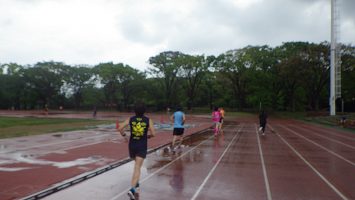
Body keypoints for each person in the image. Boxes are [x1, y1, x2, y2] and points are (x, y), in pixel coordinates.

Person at [118, 102, 156, 200]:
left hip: (132, 145)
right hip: (142, 145)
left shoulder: (131, 119)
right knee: (137, 168)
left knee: (136, 166)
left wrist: (125, 136)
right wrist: (149, 136)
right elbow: (154, 134)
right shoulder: (148, 120)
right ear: (145, 111)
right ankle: (132, 189)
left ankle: (137, 184)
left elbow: (120, 128)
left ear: (134, 110)